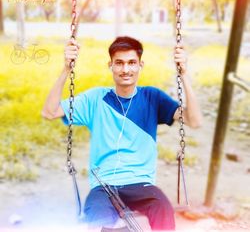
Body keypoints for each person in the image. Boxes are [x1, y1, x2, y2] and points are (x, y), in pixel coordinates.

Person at [42, 36, 202, 231]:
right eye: (119, 63)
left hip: (141, 184)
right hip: (104, 186)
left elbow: (194, 120)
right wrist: (66, 70)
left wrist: (184, 74)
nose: (126, 70)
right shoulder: (95, 99)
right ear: (110, 65)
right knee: (97, 217)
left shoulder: (152, 97)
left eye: (131, 63)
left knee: (162, 207)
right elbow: (49, 112)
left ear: (140, 65)